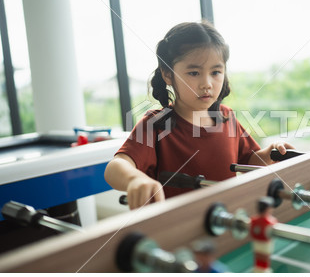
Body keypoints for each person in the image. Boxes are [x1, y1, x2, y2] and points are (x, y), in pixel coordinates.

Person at [104, 21, 294, 209]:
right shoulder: (155, 124)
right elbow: (115, 167)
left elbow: (249, 163)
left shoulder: (226, 117)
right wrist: (134, 180)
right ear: (168, 75)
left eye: (216, 72)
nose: (207, 84)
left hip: (227, 221)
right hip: (177, 231)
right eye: (194, 73)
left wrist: (269, 154)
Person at [250, 197, 278, 273]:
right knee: (264, 259)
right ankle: (263, 270)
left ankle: (259, 269)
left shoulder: (253, 220)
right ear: (267, 209)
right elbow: (273, 222)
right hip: (264, 243)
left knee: (258, 258)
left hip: (257, 243)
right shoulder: (268, 222)